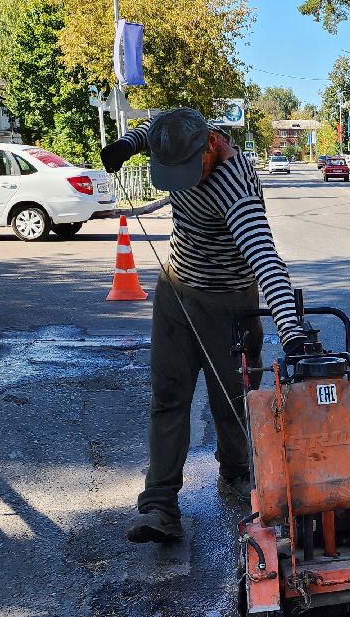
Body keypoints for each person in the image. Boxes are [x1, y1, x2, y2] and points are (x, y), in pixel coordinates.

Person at [100, 108, 307, 543]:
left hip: (228, 305)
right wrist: (125, 145)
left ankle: (236, 473)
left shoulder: (236, 187)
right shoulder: (173, 132)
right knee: (168, 395)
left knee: (232, 401)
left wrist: (289, 331)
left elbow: (267, 262)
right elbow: (150, 130)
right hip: (175, 291)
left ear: (211, 146)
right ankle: (159, 504)